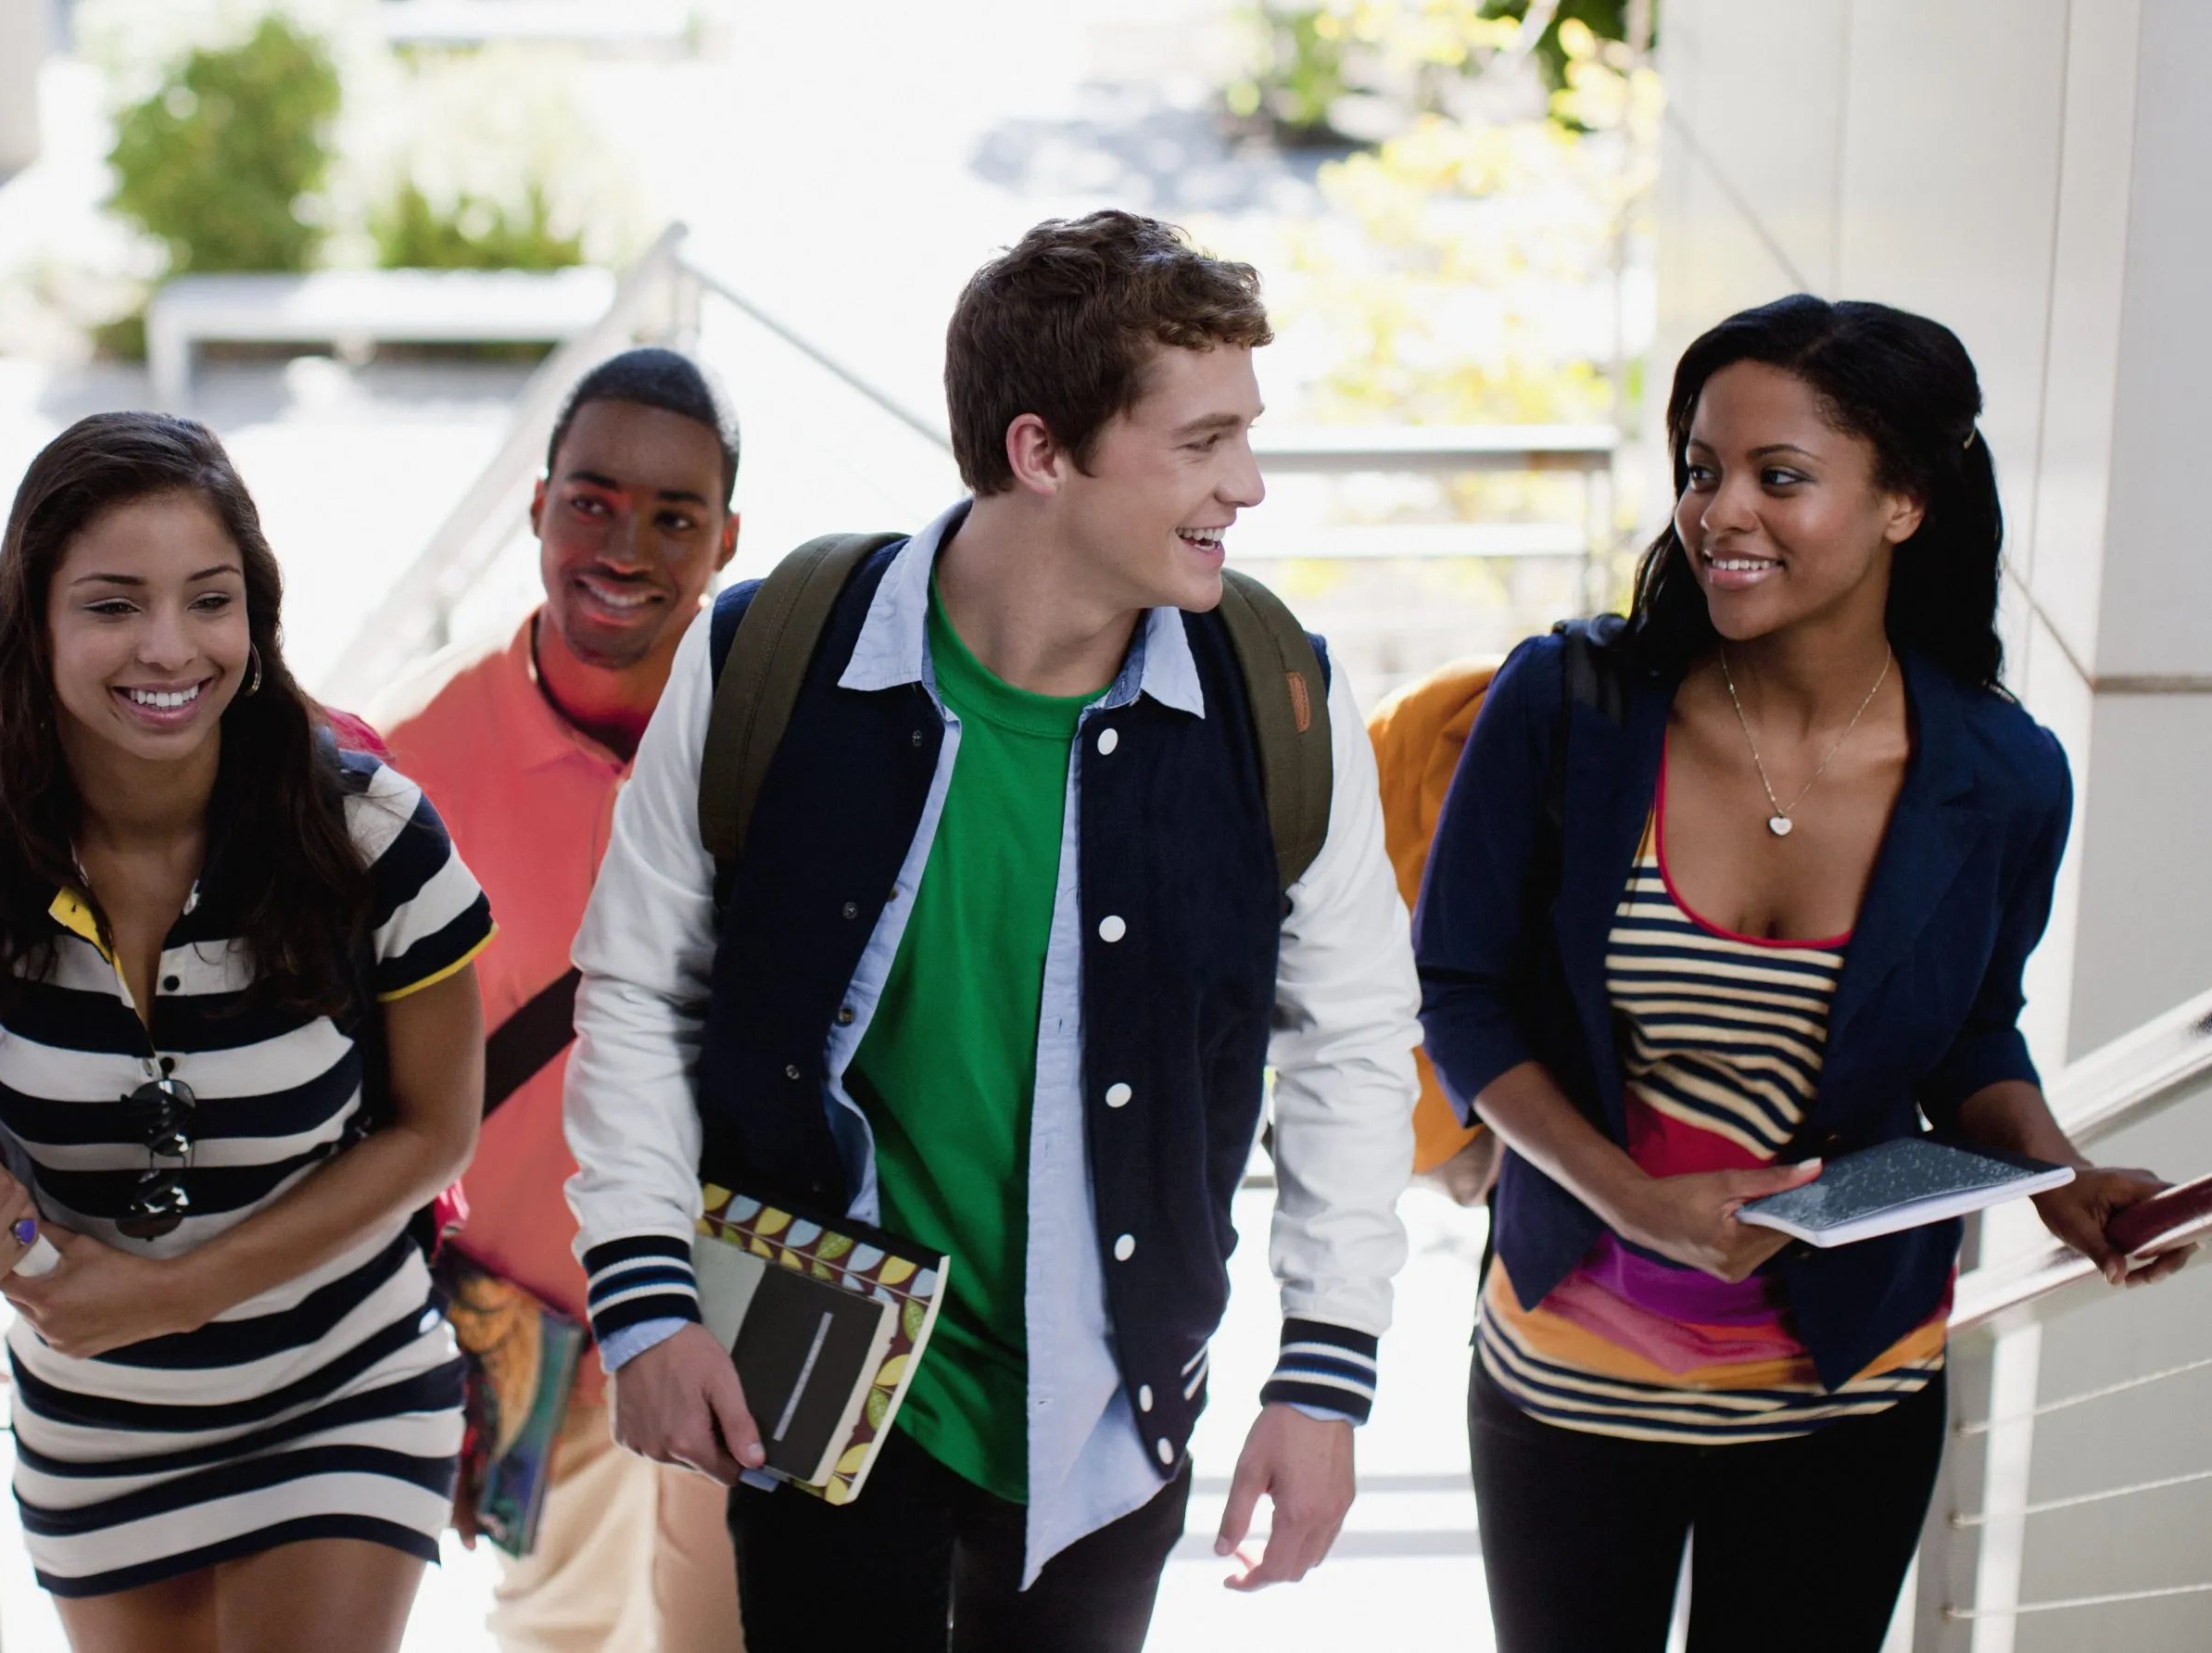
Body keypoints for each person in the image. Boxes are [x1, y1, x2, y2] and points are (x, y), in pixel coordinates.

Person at [560, 209, 1419, 1651]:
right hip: (807, 1373)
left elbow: (1354, 1044)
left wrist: (1322, 1378)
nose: (1248, 485)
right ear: (1042, 451)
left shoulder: (1277, 697)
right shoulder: (771, 654)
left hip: (1112, 1398)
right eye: (1201, 444)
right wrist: (644, 1297)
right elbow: (643, 986)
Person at [1414, 295, 2194, 1653]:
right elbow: (1463, 995)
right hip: (1571, 1372)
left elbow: (1969, 1037)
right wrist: (1634, 1200)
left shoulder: (2003, 777)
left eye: (1781, 478)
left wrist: (2062, 1179)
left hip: (1852, 1388)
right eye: (1703, 470)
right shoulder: (1569, 705)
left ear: (1906, 501)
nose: (1721, 513)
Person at [0, 411, 495, 1648]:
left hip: (342, 1387)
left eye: (209, 600)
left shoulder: (374, 836)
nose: (169, 647)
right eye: (111, 605)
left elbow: (437, 1131)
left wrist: (173, 1291)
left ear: (253, 617)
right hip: (96, 1425)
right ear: (30, 621)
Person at [373, 347, 747, 1653]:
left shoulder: (780, 728)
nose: (625, 545)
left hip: (740, 1305)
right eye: (591, 501)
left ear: (726, 539)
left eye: (672, 516)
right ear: (536, 507)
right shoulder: (413, 752)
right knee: (564, 1635)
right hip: (545, 1330)